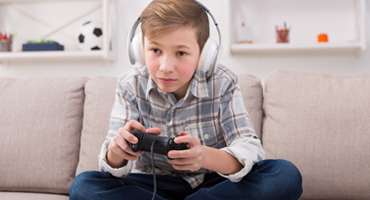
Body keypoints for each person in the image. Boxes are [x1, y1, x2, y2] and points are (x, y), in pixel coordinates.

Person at [70, 0, 303, 199]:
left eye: (181, 53)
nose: (166, 67)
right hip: (152, 184)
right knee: (83, 186)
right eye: (155, 50)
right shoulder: (130, 84)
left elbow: (249, 150)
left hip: (214, 181)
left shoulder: (222, 82)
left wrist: (205, 156)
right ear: (140, 50)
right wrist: (117, 151)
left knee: (285, 175)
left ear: (204, 55)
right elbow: (112, 169)